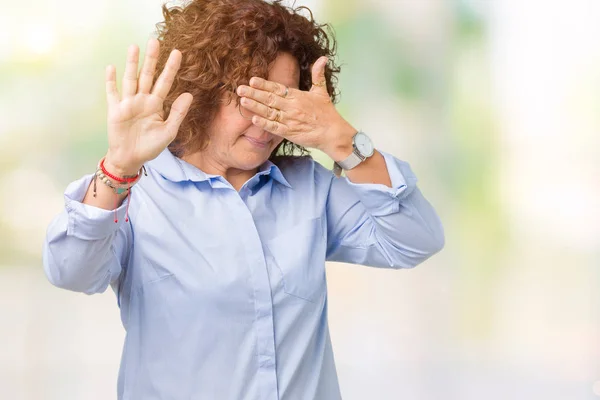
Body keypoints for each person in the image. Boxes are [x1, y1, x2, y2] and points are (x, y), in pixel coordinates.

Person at [43, 0, 445, 399]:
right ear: (200, 91)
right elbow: (70, 271)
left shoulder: (309, 190)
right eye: (250, 98)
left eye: (282, 101)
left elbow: (414, 240)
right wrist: (117, 168)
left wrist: (341, 140)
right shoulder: (136, 194)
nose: (266, 120)